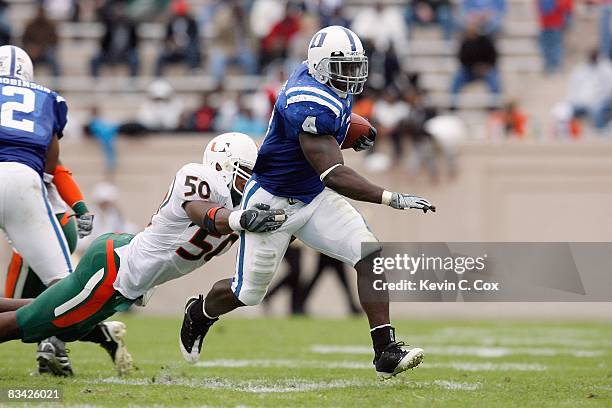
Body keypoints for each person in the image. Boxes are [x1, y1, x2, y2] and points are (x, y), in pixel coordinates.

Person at [179, 26, 435, 380]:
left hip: (313, 198)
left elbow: (328, 141)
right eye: (342, 67)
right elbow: (333, 174)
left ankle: (386, 353)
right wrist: (390, 198)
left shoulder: (322, 82)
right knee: (247, 292)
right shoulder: (306, 101)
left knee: (369, 255)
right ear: (320, 66)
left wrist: (347, 131)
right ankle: (200, 313)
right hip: (273, 202)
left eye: (354, 66)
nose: (351, 75)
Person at [0, 133, 287, 377]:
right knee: (28, 324)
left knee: (54, 316)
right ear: (223, 166)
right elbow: (205, 214)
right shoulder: (199, 176)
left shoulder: (240, 206)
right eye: (244, 173)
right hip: (113, 269)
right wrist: (241, 219)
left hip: (123, 279)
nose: (248, 182)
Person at [0, 45, 102, 376]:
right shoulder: (47, 97)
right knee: (66, 286)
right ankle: (56, 341)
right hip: (23, 183)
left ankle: (49, 335)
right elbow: (53, 158)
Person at [5, 161, 96, 376]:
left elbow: (56, 168)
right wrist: (81, 209)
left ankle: (57, 343)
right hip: (56, 219)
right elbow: (59, 170)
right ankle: (60, 343)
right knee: (49, 298)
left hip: (40, 223)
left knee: (19, 306)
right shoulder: (33, 134)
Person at [450, 20, 501, 110]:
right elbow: (462, 59)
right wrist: (474, 68)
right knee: (457, 79)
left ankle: (494, 104)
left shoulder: (486, 41)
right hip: (469, 71)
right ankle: (452, 104)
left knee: (494, 80)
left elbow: (493, 56)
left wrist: (485, 67)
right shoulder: (465, 43)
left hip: (486, 70)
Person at [90, 1, 139, 77]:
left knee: (134, 59)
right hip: (110, 52)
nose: (119, 12)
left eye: (121, 10)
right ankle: (95, 81)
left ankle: (133, 81)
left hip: (126, 53)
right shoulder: (109, 24)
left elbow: (135, 41)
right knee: (94, 60)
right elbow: (104, 41)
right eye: (117, 10)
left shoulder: (131, 24)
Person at [566, 49, 612, 131]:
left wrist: (599, 99)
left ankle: (600, 131)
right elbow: (573, 88)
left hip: (602, 101)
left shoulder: (606, 68)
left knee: (596, 109)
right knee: (564, 110)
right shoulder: (580, 69)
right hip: (582, 101)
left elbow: (609, 89)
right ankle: (570, 131)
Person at [154, 0, 201, 76]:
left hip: (187, 50)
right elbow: (166, 38)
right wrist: (171, 45)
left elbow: (194, 37)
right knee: (161, 57)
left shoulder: (192, 22)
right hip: (174, 50)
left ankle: (193, 73)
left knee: (193, 51)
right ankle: (158, 79)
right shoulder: (171, 22)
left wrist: (185, 43)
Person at [21, 4, 61, 77]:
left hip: (45, 51)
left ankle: (57, 82)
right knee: (24, 58)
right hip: (31, 51)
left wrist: (41, 48)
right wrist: (31, 48)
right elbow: (24, 40)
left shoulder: (50, 26)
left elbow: (55, 41)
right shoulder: (30, 25)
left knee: (52, 58)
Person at [537, 0, 572, 74]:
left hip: (555, 22)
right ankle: (549, 65)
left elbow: (565, 5)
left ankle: (555, 66)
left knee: (555, 45)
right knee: (546, 46)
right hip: (545, 23)